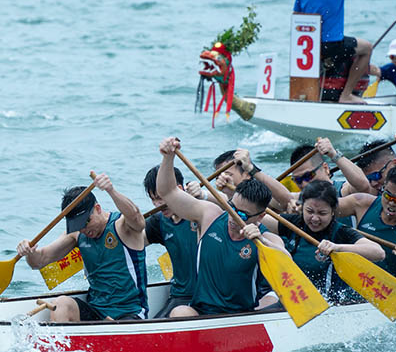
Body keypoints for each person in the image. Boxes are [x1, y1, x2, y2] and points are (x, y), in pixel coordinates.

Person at [157, 137, 285, 317]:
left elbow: (285, 260)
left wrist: (262, 241)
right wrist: (167, 157)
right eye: (232, 208)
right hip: (201, 311)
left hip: (241, 316)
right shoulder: (210, 216)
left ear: (260, 216)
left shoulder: (266, 238)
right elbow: (168, 192)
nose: (233, 218)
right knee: (180, 312)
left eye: (242, 215)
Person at [16, 173, 148, 322]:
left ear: (98, 208)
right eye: (78, 225)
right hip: (96, 311)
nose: (84, 230)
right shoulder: (77, 234)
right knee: (61, 304)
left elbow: (137, 219)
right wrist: (29, 251)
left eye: (86, 222)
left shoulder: (123, 226)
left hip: (130, 312)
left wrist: (111, 190)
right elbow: (39, 261)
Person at [260, 180, 383, 302]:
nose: (314, 218)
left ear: (333, 212)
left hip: (326, 301)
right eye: (309, 211)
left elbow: (378, 253)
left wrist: (337, 247)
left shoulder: (340, 232)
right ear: (302, 207)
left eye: (322, 213)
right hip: (294, 295)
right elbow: (257, 219)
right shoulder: (293, 223)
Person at [294, 0, 370, 104]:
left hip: (309, 48)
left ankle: (306, 94)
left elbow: (296, 16)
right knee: (367, 48)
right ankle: (346, 95)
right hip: (332, 45)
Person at [142, 165, 199, 317]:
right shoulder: (159, 221)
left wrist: (205, 195)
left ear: (178, 189)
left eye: (160, 198)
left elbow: (227, 206)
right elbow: (132, 243)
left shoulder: (202, 211)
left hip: (205, 297)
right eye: (153, 199)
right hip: (178, 296)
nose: (157, 205)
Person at [206, 148, 293, 210]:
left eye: (227, 174)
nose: (222, 178)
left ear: (246, 174)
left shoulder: (261, 194)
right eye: (217, 176)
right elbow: (206, 195)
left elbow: (289, 201)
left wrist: (251, 169)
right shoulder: (223, 196)